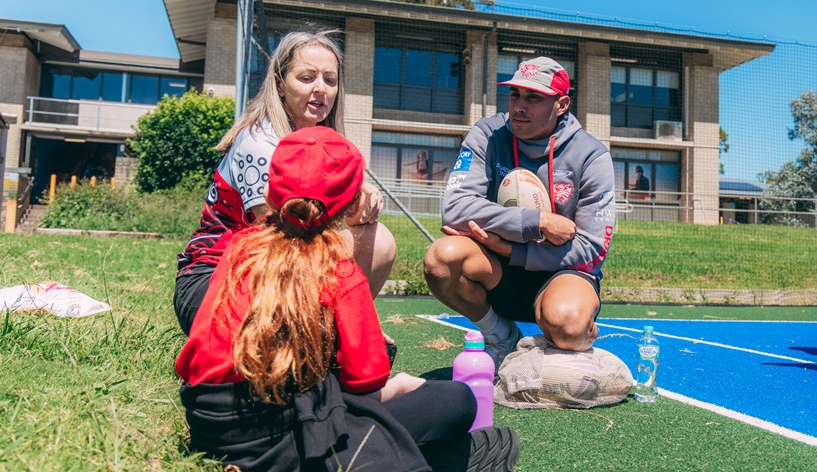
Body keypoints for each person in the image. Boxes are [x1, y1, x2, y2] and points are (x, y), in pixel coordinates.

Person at [176, 126, 519, 471]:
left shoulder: (237, 250)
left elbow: (192, 359)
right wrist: (401, 385)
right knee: (456, 400)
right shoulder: (339, 272)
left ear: (268, 190)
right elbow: (367, 386)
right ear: (354, 204)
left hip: (208, 428)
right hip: (288, 439)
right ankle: (434, 458)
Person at [173, 30, 396, 335]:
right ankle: (334, 334)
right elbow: (284, 237)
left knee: (377, 240)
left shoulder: (325, 144)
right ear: (279, 84)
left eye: (330, 80)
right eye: (307, 78)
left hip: (273, 271)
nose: (321, 89)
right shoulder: (258, 141)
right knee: (314, 248)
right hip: (214, 280)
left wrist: (359, 203)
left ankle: (332, 336)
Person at [424, 57, 616, 375]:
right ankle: (501, 336)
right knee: (441, 258)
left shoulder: (591, 156)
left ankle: (569, 341)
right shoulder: (487, 134)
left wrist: (513, 249)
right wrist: (535, 222)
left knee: (569, 325)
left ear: (561, 104)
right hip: (497, 269)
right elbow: (455, 208)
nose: (519, 106)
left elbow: (592, 249)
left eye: (533, 97)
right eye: (514, 94)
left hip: (561, 273)